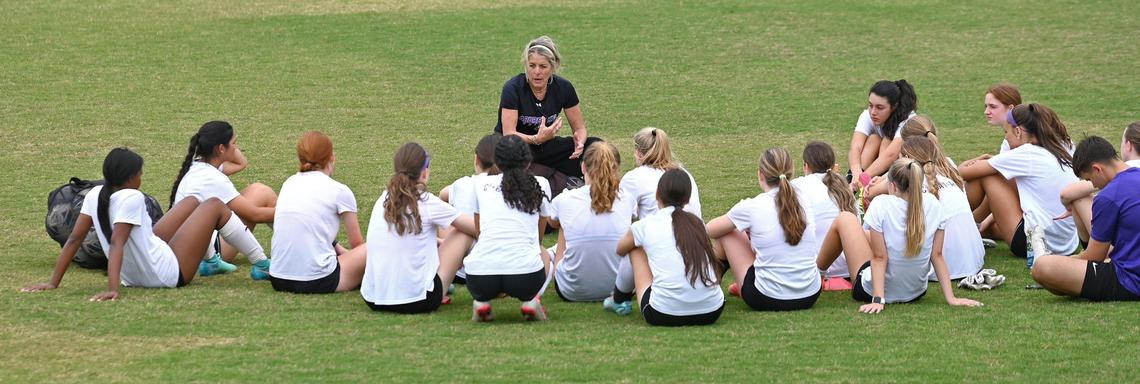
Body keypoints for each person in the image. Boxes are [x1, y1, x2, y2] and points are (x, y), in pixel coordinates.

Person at [22, 148, 267, 300]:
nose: (142, 178)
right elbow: (118, 242)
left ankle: (212, 259)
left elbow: (74, 239)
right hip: (166, 274)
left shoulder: (95, 193)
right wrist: (113, 288)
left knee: (193, 201)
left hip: (139, 270)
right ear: (130, 178)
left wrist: (53, 283)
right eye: (140, 173)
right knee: (214, 205)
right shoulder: (132, 197)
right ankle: (261, 262)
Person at [838, 159, 983, 313]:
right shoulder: (933, 203)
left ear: (892, 186)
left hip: (871, 290)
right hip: (916, 292)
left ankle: (819, 273)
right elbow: (937, 255)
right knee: (866, 236)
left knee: (844, 219)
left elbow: (880, 258)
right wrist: (951, 298)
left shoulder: (881, 204)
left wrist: (878, 300)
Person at [362, 143, 479, 314]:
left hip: (373, 298)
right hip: (418, 300)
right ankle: (491, 277)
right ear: (424, 172)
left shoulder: (383, 199)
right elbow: (478, 229)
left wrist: (440, 243)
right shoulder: (426, 201)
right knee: (462, 233)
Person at [870, 117, 984, 280]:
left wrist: (879, 181)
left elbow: (871, 193)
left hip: (940, 266)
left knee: (873, 228)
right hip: (973, 259)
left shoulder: (910, 175)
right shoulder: (948, 164)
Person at [707, 148, 821, 311]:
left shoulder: (752, 206)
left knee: (728, 232)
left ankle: (707, 287)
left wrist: (742, 228)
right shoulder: (804, 200)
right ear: (791, 172)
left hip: (767, 297)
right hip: (810, 294)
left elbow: (710, 230)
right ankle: (707, 287)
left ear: (761, 175)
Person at [959, 104, 1078, 258]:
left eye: (1006, 132)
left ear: (1018, 131)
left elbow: (963, 172)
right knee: (999, 173)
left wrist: (980, 159)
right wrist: (996, 161)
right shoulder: (1065, 145)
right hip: (1067, 243)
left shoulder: (1028, 152)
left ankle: (957, 226)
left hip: (1033, 243)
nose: (1006, 137)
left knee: (988, 175)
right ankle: (975, 228)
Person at [605, 127, 702, 314]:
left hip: (659, 245)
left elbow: (622, 217)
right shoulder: (684, 175)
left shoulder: (635, 178)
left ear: (639, 153)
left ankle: (620, 298)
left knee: (634, 246)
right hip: (693, 249)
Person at [1031, 136, 1140, 301]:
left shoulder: (1108, 196)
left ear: (1097, 169)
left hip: (1130, 280)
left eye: (1089, 179)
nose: (1093, 186)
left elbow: (1094, 257)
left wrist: (1065, 262)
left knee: (1042, 267)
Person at [461, 135, 553, 322]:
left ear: (498, 161)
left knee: (486, 253)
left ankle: (481, 302)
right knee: (542, 253)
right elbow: (538, 237)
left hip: (479, 278)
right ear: (527, 161)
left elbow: (479, 232)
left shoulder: (479, 184)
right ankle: (531, 301)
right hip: (526, 278)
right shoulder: (541, 184)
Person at [615, 169, 724, 326]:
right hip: (712, 311)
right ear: (687, 199)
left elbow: (620, 249)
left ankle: (619, 299)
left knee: (635, 247)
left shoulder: (645, 225)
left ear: (657, 194)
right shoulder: (697, 223)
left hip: (664, 313)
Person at [494, 35, 600, 196]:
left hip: (545, 146)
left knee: (595, 146)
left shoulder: (563, 87)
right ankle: (562, 180)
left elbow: (579, 128)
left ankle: (592, 191)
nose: (536, 72)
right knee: (507, 156)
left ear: (553, 66)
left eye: (543, 66)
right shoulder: (513, 88)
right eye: (532, 66)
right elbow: (509, 133)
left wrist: (580, 142)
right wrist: (536, 138)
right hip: (515, 147)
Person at [170, 121, 277, 279]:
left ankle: (295, 243)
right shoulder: (212, 178)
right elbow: (255, 215)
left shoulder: (201, 165)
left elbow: (241, 163)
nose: (237, 147)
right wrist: (294, 210)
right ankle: (292, 246)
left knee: (259, 189)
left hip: (194, 244)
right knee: (262, 193)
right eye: (234, 143)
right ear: (220, 148)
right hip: (209, 247)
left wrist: (228, 142)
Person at [267, 132, 366, 294]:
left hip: (278, 278)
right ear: (331, 157)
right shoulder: (340, 191)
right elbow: (357, 245)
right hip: (319, 280)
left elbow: (306, 224)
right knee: (371, 249)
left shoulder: (289, 183)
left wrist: (338, 248)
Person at [548, 142, 633, 302]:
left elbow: (552, 223)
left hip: (571, 290)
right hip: (620, 288)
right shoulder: (627, 198)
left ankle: (556, 258)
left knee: (563, 227)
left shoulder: (565, 199)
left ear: (583, 168)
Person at [1057, 122, 1140, 245]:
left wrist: (1068, 207)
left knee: (1079, 198)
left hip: (1124, 249)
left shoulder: (1123, 171)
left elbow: (1067, 193)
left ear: (1128, 145)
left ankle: (1092, 250)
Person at [438, 134, 501, 288]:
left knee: (443, 213)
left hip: (459, 269)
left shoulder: (462, 184)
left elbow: (442, 195)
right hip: (505, 268)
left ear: (476, 160)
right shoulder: (515, 186)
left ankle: (447, 250)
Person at [792, 141, 857, 285]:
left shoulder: (797, 186)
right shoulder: (845, 188)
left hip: (817, 268)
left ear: (806, 166)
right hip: (850, 267)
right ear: (834, 166)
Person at [847, 80, 918, 189]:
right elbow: (855, 147)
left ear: (894, 107)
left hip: (906, 169)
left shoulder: (908, 120)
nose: (873, 112)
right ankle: (850, 187)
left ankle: (870, 190)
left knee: (887, 140)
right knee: (874, 139)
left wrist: (863, 177)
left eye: (880, 108)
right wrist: (856, 172)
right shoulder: (867, 115)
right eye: (870, 105)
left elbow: (891, 155)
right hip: (878, 166)